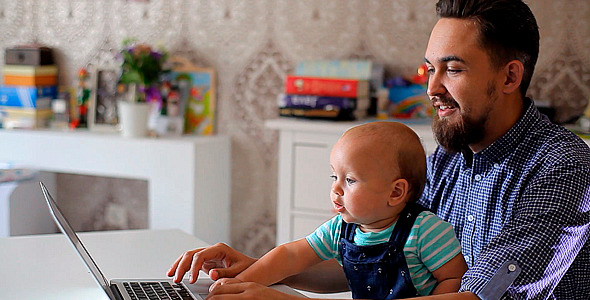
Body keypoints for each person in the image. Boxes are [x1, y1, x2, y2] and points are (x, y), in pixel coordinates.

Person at [168, 0, 590, 299]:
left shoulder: (564, 169)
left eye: (454, 69)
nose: (432, 88)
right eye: (431, 68)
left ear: (510, 76)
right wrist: (259, 271)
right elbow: (386, 266)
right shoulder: (448, 158)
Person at [220, 122, 466, 299]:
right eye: (334, 176)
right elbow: (291, 256)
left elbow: (455, 280)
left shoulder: (426, 230)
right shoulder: (341, 228)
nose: (335, 189)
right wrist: (238, 284)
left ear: (395, 192)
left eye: (350, 180)